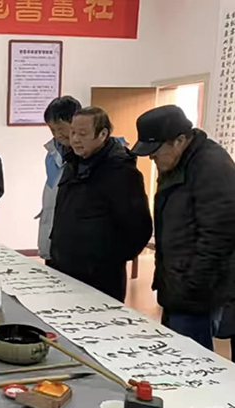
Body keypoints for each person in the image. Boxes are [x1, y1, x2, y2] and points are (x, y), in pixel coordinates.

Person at [132, 105, 235, 351]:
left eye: (155, 152)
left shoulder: (211, 167)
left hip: (197, 293)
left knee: (192, 359)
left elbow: (218, 236)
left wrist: (191, 285)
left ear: (179, 140)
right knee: (178, 352)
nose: (152, 159)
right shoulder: (178, 162)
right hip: (179, 285)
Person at [50, 107, 152, 302]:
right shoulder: (72, 163)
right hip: (64, 269)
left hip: (100, 277)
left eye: (82, 134)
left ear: (103, 134)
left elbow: (138, 227)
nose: (75, 139)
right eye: (73, 132)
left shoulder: (121, 172)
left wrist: (107, 259)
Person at [37, 96, 82, 264]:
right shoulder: (52, 154)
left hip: (79, 249)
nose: (57, 135)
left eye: (60, 128)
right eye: (52, 130)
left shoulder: (87, 155)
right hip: (54, 241)